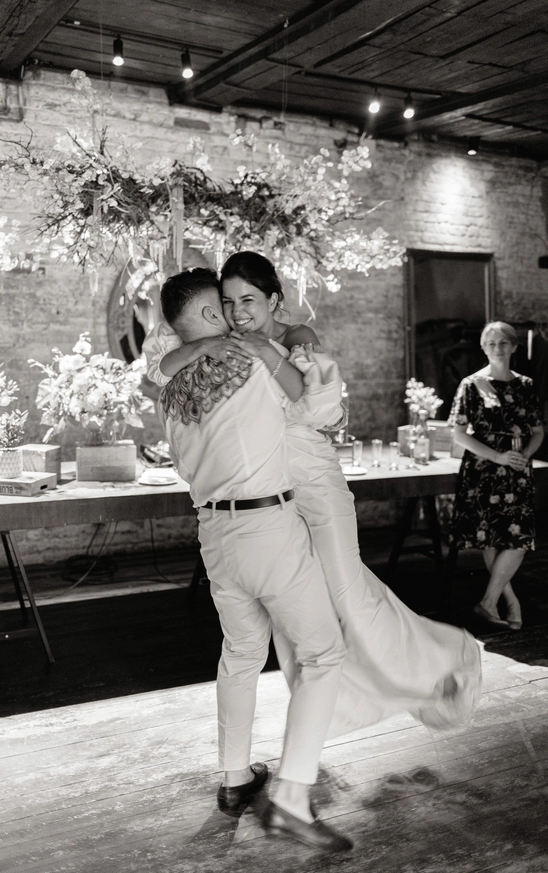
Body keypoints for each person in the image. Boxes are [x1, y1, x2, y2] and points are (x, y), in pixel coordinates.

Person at [148, 252, 482, 740]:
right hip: (273, 497)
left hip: (314, 484)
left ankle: (440, 664)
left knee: (349, 593)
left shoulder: (295, 338)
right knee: (299, 623)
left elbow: (326, 410)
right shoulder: (225, 348)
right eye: (228, 302)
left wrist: (279, 365)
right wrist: (208, 346)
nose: (238, 311)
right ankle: (337, 711)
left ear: (273, 300)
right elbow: (159, 371)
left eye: (248, 300)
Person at [155, 267, 352, 852]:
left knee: (241, 654)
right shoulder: (251, 363)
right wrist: (277, 347)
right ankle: (291, 800)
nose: (236, 314)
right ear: (209, 316)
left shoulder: (172, 390)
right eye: (225, 305)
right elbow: (315, 404)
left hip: (213, 533)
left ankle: (235, 777)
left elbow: (169, 390)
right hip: (267, 526)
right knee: (323, 654)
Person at [449, 321, 544, 630]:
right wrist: (498, 457)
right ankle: (508, 601)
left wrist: (524, 454)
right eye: (491, 343)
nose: (497, 348)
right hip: (484, 470)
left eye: (503, 342)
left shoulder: (526, 385)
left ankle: (489, 601)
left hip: (517, 469)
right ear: (483, 348)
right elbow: (458, 435)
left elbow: (538, 431)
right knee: (491, 538)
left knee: (519, 538)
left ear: (514, 346)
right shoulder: (472, 384)